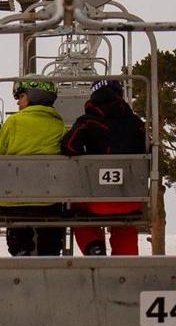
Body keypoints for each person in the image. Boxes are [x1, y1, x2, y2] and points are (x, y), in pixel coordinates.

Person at [62, 78, 149, 256]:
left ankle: (93, 246)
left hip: (96, 200)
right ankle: (126, 260)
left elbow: (69, 146)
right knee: (126, 224)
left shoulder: (87, 121)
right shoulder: (136, 123)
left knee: (78, 211)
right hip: (130, 199)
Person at [0, 79, 68, 257]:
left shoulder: (13, 122)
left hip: (12, 202)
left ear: (33, 97)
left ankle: (20, 248)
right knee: (50, 226)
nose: (18, 102)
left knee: (18, 215)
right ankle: (49, 251)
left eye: (21, 96)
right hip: (48, 202)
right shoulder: (58, 126)